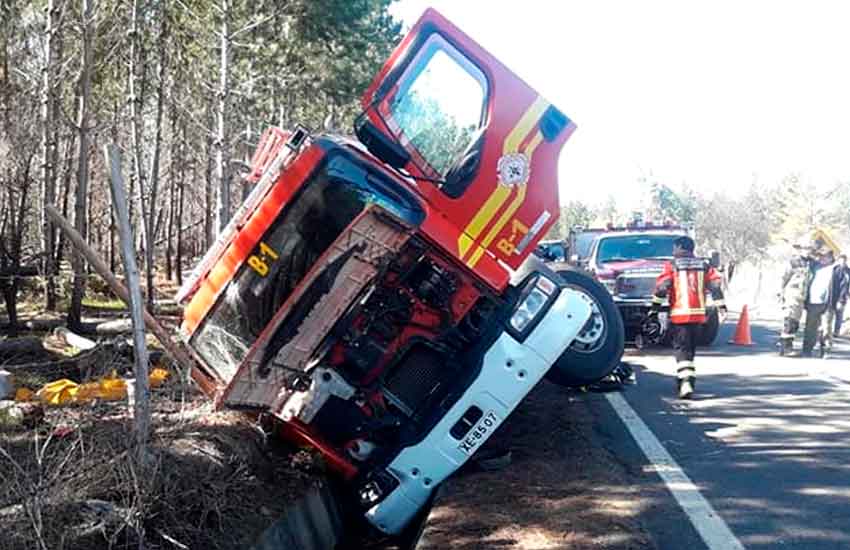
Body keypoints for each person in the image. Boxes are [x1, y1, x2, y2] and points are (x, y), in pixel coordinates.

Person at [649, 236, 726, 399]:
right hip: (698, 316)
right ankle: (686, 379)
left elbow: (662, 288)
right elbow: (715, 286)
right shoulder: (704, 265)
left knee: (682, 351)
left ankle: (686, 382)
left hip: (679, 315)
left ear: (679, 248)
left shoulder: (672, 265)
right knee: (690, 350)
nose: (673, 251)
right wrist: (722, 307)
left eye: (674, 248)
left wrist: (654, 310)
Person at [779, 242, 815, 355]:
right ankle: (786, 348)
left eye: (809, 248)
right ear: (801, 249)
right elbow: (784, 277)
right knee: (790, 320)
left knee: (795, 323)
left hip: (803, 296)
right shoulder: (793, 262)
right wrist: (780, 292)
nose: (807, 250)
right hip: (792, 294)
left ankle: (785, 346)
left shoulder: (812, 263)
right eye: (805, 248)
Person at [803, 247, 835, 357]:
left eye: (824, 256)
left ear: (830, 258)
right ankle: (807, 349)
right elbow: (806, 258)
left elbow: (843, 285)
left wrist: (841, 300)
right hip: (812, 301)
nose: (821, 258)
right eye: (820, 256)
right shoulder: (814, 266)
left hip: (827, 303)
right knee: (810, 327)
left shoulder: (835, 269)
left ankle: (825, 349)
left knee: (826, 327)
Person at [832, 254, 849, 337]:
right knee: (829, 314)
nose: (843, 262)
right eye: (841, 260)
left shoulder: (848, 271)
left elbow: (847, 285)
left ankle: (836, 332)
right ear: (838, 260)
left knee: (839, 315)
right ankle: (825, 331)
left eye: (844, 260)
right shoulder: (834, 269)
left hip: (842, 297)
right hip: (832, 296)